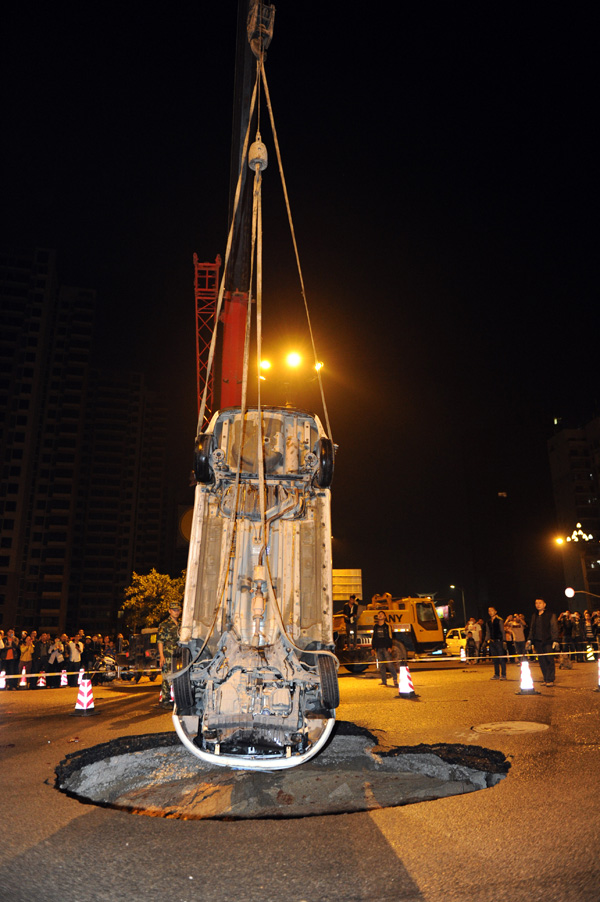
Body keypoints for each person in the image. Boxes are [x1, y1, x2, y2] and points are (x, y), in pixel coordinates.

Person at [526, 598, 559, 686]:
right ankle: (545, 678)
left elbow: (554, 627)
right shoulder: (534, 615)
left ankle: (550, 679)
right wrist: (529, 639)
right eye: (536, 603)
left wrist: (555, 639)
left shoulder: (550, 614)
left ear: (544, 604)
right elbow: (532, 629)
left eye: (540, 603)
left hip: (548, 641)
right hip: (537, 641)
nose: (538, 605)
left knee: (549, 660)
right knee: (542, 661)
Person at [157, 602, 182, 707]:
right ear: (169, 611)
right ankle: (165, 700)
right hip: (168, 652)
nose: (176, 612)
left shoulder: (181, 624)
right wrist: (161, 655)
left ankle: (176, 698)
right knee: (167, 675)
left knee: (178, 675)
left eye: (178, 610)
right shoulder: (164, 624)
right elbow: (160, 641)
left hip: (179, 651)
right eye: (174, 610)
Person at [370, 612, 397, 687]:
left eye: (381, 614)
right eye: (379, 614)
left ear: (384, 617)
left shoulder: (387, 626)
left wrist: (389, 647)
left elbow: (390, 637)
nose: (380, 615)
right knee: (381, 665)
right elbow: (374, 638)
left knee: (390, 664)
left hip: (386, 647)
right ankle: (384, 681)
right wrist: (373, 648)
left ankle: (395, 680)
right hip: (378, 648)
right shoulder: (375, 626)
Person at [485, 607, 507, 680]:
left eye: (492, 611)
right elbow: (488, 632)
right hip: (492, 642)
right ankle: (496, 674)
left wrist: (504, 641)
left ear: (495, 611)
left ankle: (503, 674)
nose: (490, 612)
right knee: (495, 659)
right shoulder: (488, 622)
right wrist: (485, 641)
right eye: (489, 611)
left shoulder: (499, 620)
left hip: (499, 641)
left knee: (501, 658)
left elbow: (502, 631)